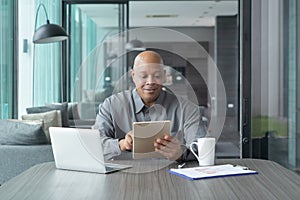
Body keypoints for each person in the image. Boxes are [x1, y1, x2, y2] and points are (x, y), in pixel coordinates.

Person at [92, 50, 206, 161]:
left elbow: (204, 149)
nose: (150, 82)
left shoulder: (187, 109)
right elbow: (93, 145)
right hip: (121, 177)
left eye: (157, 76)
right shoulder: (111, 105)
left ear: (164, 76)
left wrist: (181, 153)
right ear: (133, 75)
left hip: (172, 177)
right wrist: (121, 144)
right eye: (143, 76)